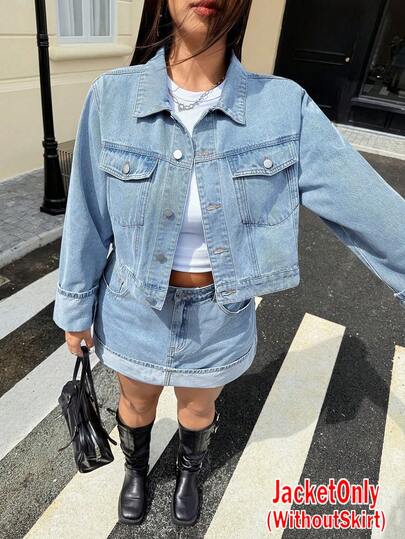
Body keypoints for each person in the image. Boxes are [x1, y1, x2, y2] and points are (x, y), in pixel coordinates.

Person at [52, 0, 405, 529]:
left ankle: (189, 472)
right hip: (131, 306)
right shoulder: (112, 97)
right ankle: (136, 469)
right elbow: (86, 214)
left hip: (220, 313)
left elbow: (369, 207)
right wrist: (75, 307)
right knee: (135, 403)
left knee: (198, 409)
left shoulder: (282, 107)